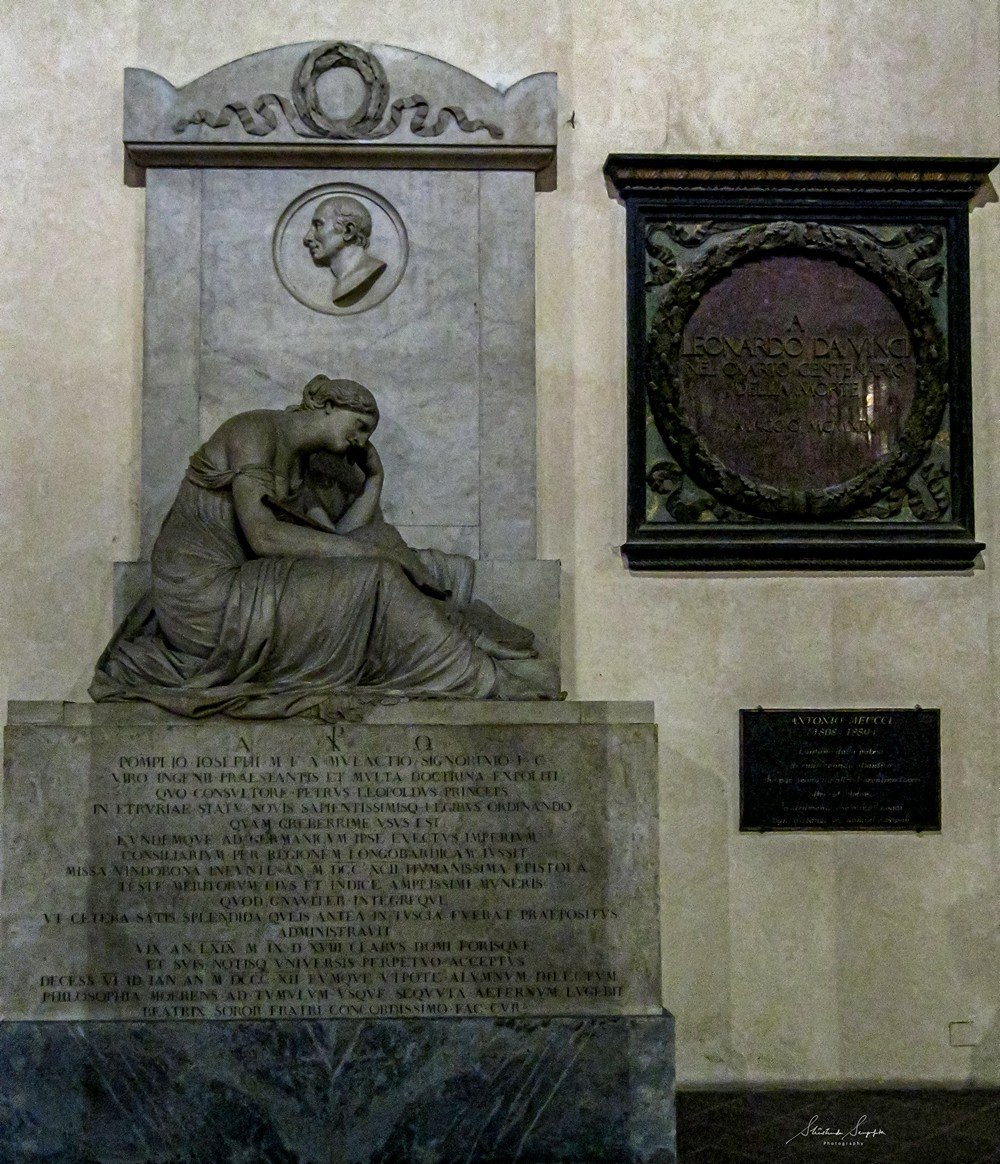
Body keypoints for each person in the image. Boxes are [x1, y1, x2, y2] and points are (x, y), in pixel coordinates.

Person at [91, 376, 557, 717]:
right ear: (328, 405)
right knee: (375, 571)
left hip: (244, 587)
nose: (359, 441)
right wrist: (376, 557)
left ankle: (459, 621)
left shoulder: (297, 466)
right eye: (358, 426)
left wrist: (375, 480)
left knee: (379, 543)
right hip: (205, 599)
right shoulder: (253, 431)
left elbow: (338, 544)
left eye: (367, 436)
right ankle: (477, 674)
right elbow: (265, 537)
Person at [303, 196, 387, 306]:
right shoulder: (342, 282)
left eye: (318, 225)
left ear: (348, 231)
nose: (307, 238)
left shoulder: (367, 272)